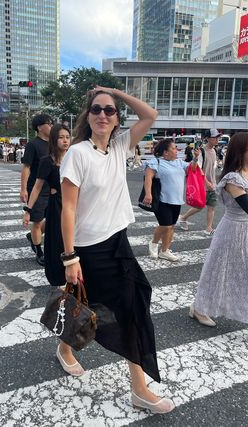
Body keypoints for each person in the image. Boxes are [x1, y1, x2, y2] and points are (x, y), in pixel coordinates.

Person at [59, 86, 175, 414]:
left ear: (116, 118)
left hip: (118, 242)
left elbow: (149, 115)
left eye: (109, 110)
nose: (102, 115)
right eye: (96, 109)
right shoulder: (77, 153)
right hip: (89, 248)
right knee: (93, 305)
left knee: (130, 305)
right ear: (88, 115)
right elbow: (68, 209)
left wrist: (113, 92)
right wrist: (70, 257)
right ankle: (70, 350)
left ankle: (137, 386)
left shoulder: (121, 145)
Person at [190, 132, 248, 327]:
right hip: (233, 231)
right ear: (242, 151)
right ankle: (199, 308)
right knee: (217, 269)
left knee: (241, 272)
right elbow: (245, 204)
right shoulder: (233, 178)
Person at [23, 124, 70, 285]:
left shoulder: (74, 158)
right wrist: (28, 210)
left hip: (75, 205)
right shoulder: (47, 161)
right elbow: (37, 187)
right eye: (61, 137)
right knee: (57, 242)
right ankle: (59, 277)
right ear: (53, 140)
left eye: (67, 137)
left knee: (76, 241)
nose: (65, 141)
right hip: (56, 206)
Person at [144, 139, 200, 261]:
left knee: (171, 226)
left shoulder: (179, 162)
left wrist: (195, 158)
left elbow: (192, 169)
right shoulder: (156, 162)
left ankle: (164, 251)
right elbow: (148, 177)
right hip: (162, 199)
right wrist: (148, 194)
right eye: (174, 148)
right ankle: (153, 243)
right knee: (165, 225)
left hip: (177, 200)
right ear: (165, 152)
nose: (177, 150)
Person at [20, 114, 53, 266]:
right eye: (49, 123)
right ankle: (39, 251)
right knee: (38, 222)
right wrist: (23, 189)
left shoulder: (54, 143)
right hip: (36, 189)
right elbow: (26, 167)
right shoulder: (33, 145)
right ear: (40, 127)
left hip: (53, 188)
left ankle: (33, 236)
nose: (51, 125)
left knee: (54, 218)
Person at [177, 129, 221, 236]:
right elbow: (198, 169)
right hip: (203, 185)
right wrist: (207, 183)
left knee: (212, 206)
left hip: (212, 184)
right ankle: (183, 218)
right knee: (200, 206)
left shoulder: (214, 151)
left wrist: (215, 181)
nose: (217, 139)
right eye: (214, 137)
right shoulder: (202, 151)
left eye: (217, 137)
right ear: (207, 138)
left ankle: (209, 228)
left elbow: (213, 168)